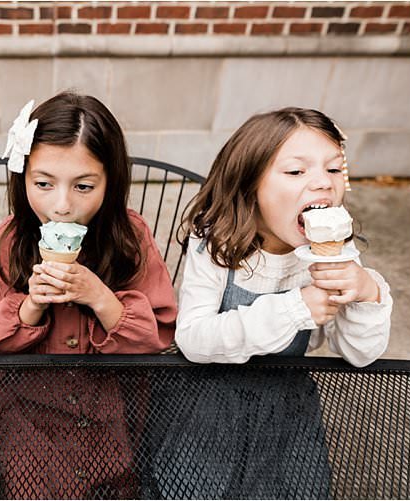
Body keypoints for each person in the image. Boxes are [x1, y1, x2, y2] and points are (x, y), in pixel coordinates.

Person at [140, 107, 392, 498]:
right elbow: (193, 338)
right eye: (296, 172)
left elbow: (358, 354)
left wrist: (366, 293)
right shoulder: (215, 245)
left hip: (284, 407)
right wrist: (295, 309)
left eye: (333, 169)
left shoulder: (336, 255)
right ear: (249, 184)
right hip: (208, 402)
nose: (323, 184)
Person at [0, 91, 176, 498]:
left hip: (112, 408)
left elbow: (160, 334)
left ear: (111, 181)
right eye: (44, 183)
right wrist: (31, 306)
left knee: (113, 485)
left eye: (83, 186)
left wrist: (100, 296)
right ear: (23, 178)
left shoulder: (129, 238)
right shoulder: (8, 244)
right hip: (30, 412)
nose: (62, 205)